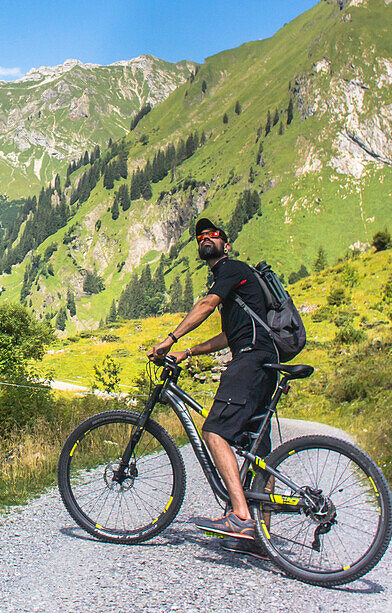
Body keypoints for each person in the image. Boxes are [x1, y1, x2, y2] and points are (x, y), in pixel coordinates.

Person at [147, 217, 278, 559]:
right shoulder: (235, 283)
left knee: (215, 431)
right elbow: (227, 336)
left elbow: (206, 306)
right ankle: (262, 541)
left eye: (213, 234)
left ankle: (240, 517)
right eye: (200, 236)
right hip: (262, 361)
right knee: (258, 451)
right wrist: (188, 351)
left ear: (226, 244)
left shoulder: (231, 268)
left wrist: (171, 338)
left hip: (249, 362)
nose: (206, 237)